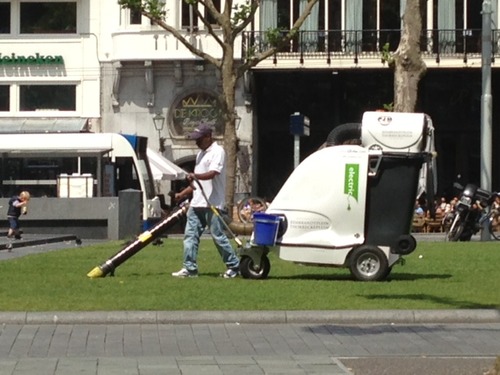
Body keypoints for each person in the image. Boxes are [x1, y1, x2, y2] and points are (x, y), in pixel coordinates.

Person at [172, 123, 240, 278]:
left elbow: (213, 173)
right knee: (190, 236)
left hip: (213, 203)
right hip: (197, 203)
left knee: (217, 236)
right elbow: (198, 183)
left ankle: (234, 266)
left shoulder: (218, 151)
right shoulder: (200, 154)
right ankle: (189, 268)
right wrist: (183, 194)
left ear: (208, 137)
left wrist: (196, 176)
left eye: (199, 139)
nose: (196, 142)